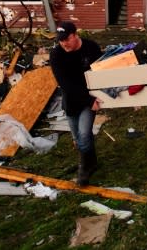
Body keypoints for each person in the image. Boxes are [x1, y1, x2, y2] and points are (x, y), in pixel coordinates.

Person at [49, 21, 103, 186]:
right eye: (60, 40)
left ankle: (84, 168)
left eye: (67, 39)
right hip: (71, 100)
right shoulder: (56, 54)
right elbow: (65, 83)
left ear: (75, 34)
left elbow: (101, 72)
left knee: (84, 133)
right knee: (77, 138)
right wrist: (86, 99)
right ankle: (92, 162)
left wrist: (92, 99)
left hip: (90, 98)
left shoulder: (91, 47)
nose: (64, 43)